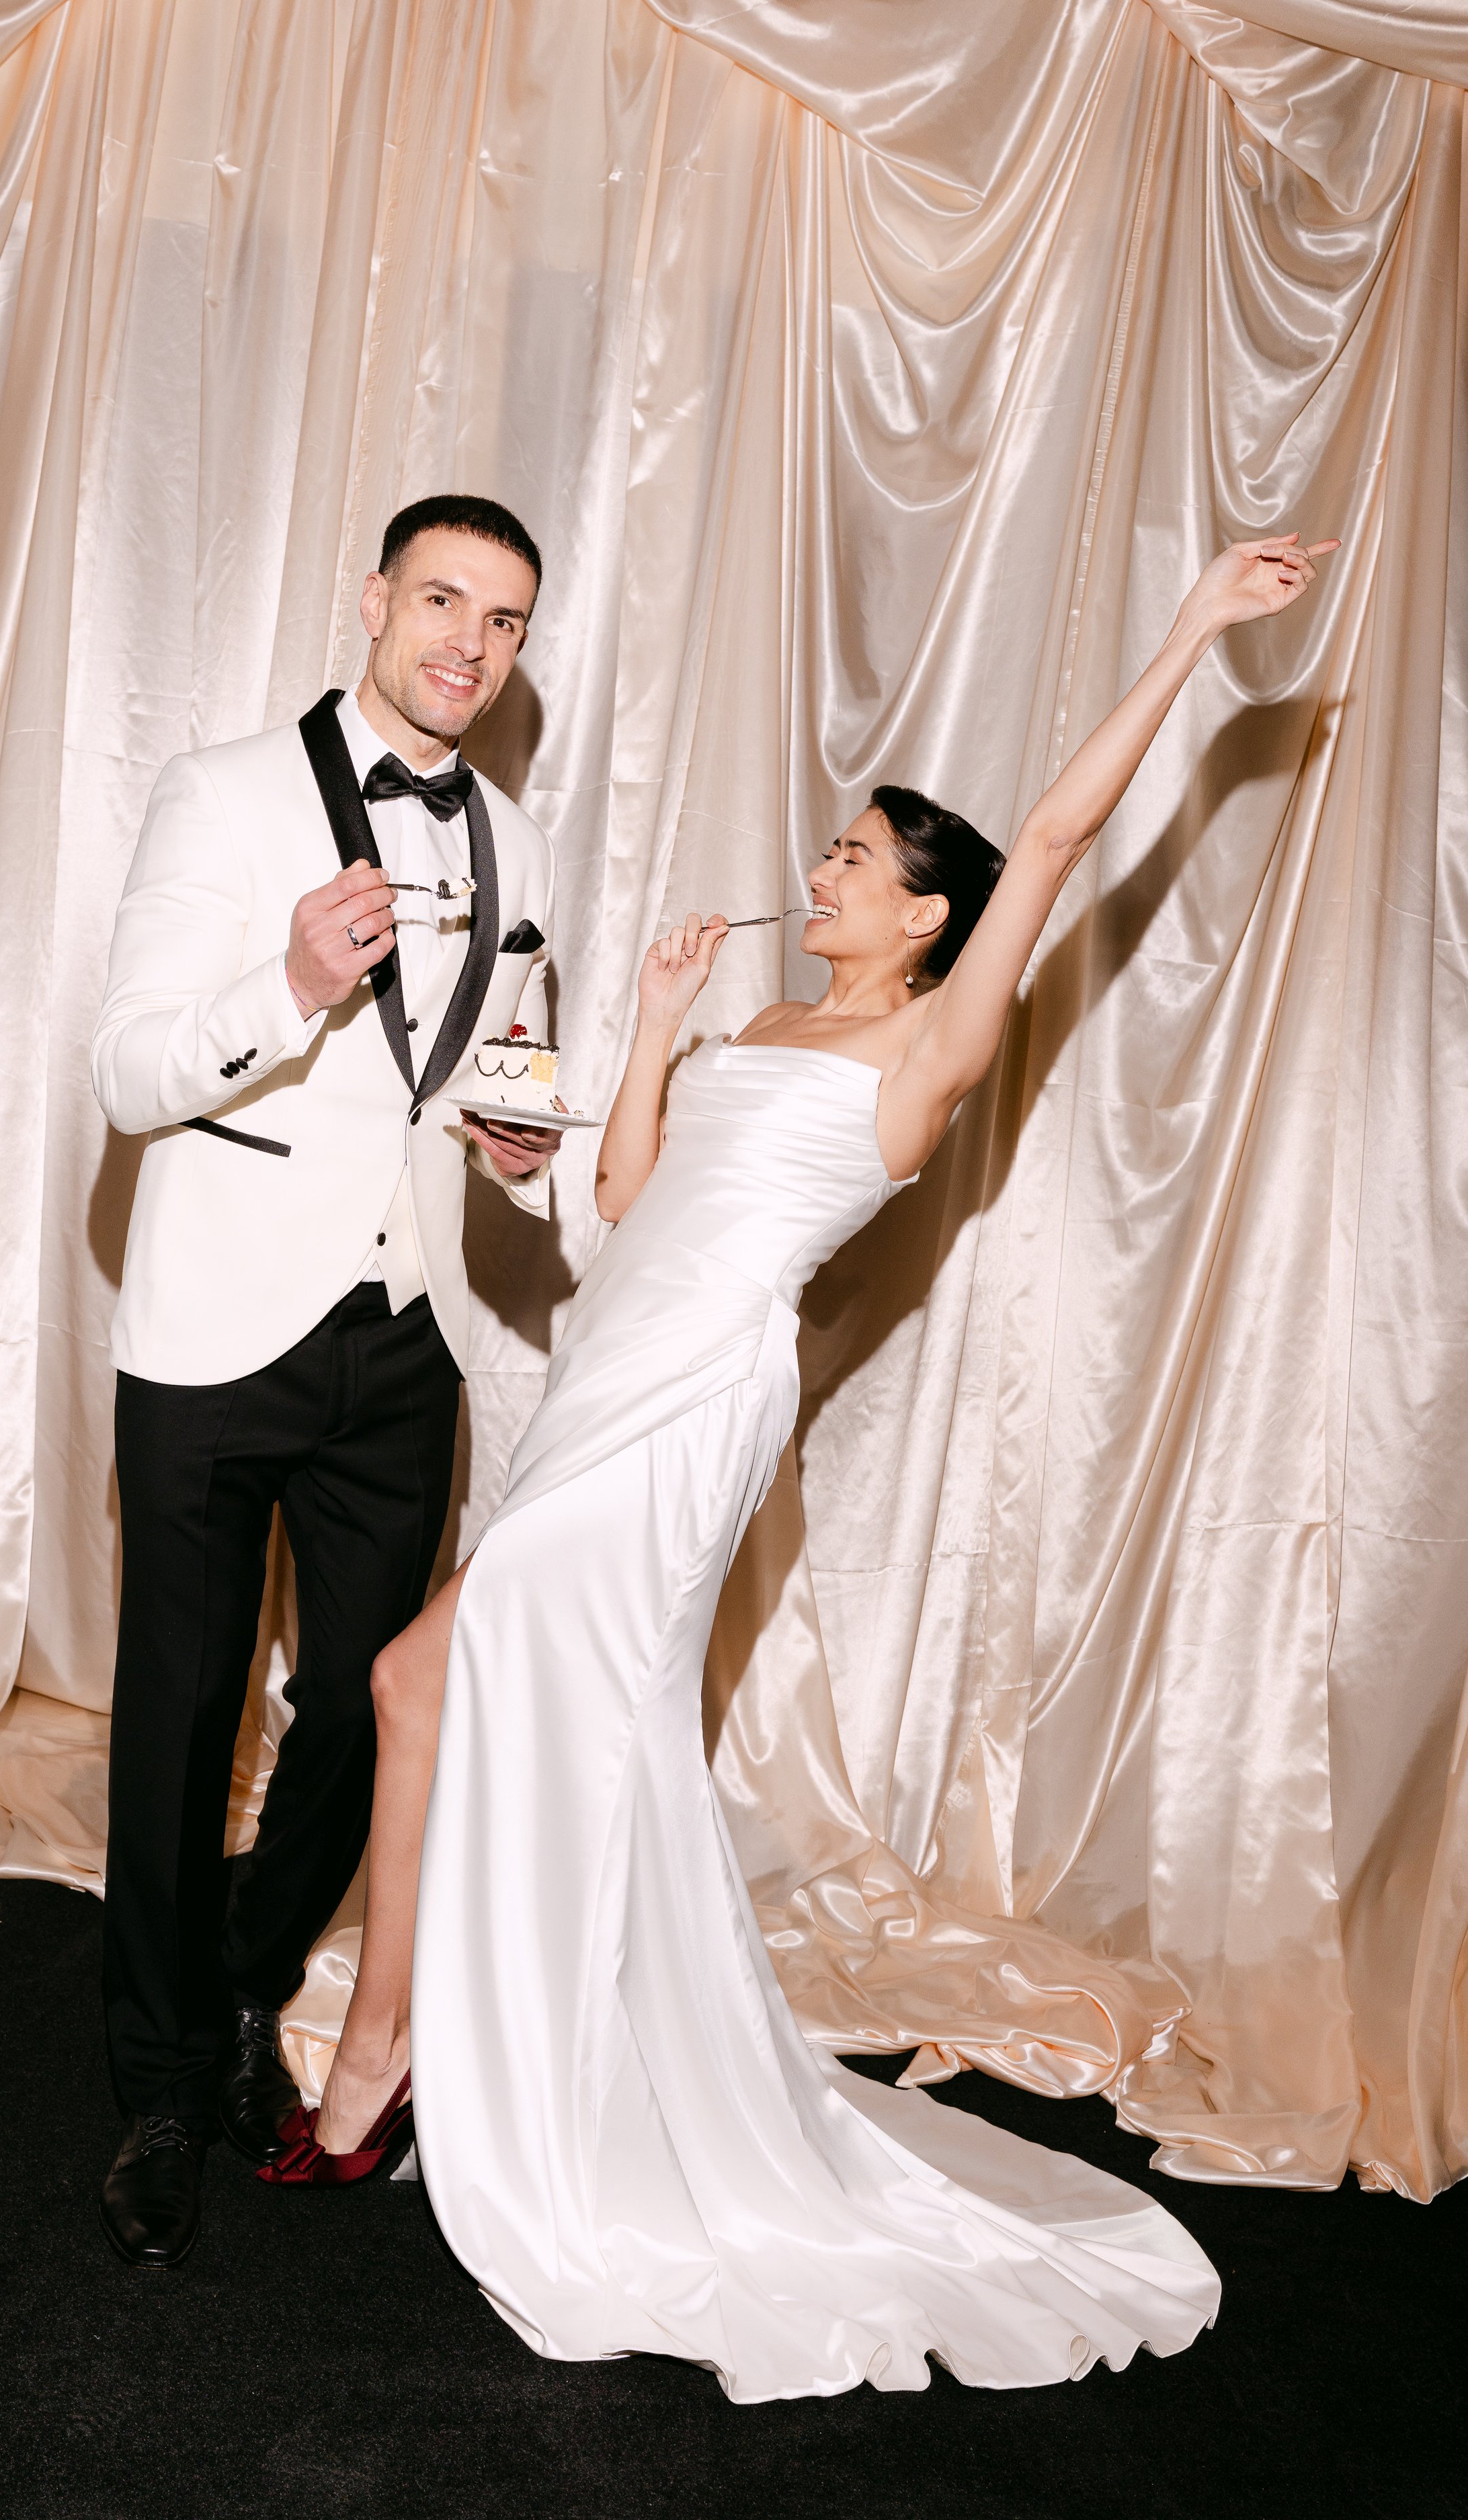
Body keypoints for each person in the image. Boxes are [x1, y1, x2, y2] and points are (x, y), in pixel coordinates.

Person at [266, 533, 1334, 2400]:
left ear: (922, 914)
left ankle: (382, 2070)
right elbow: (618, 1207)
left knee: (441, 1683)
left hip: (698, 1412)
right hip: (615, 1372)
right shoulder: (770, 1023)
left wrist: (1186, 631)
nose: (823, 865)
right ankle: (412, 2051)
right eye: (834, 845)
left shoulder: (933, 1041)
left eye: (858, 854)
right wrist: (662, 1032)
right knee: (421, 1685)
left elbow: (1066, 849)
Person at [89, 494, 563, 2268]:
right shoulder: (223, 791)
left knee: (365, 1717)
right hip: (217, 1328)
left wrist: (521, 1141)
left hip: (403, 1343)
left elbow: (483, 1085)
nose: (468, 639)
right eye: (442, 598)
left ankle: (233, 1994)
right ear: (374, 602)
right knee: (178, 1720)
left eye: (504, 620)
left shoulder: (514, 836)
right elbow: (129, 1074)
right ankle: (153, 2087)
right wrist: (288, 976)